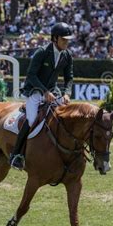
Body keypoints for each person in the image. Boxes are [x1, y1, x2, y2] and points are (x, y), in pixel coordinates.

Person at [9, 22, 75, 170]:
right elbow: (31, 75)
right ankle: (16, 155)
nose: (67, 42)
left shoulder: (67, 55)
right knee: (32, 119)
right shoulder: (42, 52)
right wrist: (45, 92)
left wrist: (67, 93)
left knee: (64, 119)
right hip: (34, 91)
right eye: (64, 39)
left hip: (53, 91)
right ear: (55, 38)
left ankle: (63, 155)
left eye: (68, 39)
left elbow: (69, 78)